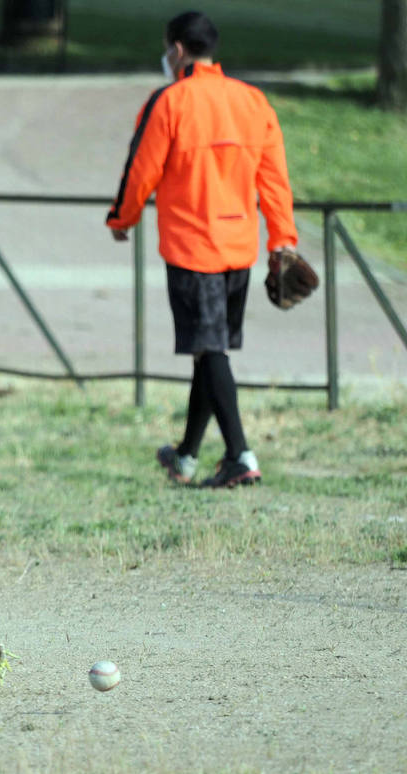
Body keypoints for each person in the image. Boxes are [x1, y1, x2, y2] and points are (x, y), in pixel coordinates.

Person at [104, 10, 298, 488]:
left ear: (176, 50)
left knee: (210, 352)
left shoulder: (170, 101)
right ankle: (187, 454)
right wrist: (282, 240)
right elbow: (274, 181)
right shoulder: (253, 101)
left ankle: (239, 455)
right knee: (207, 354)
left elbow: (141, 168)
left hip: (193, 248)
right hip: (239, 248)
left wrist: (122, 217)